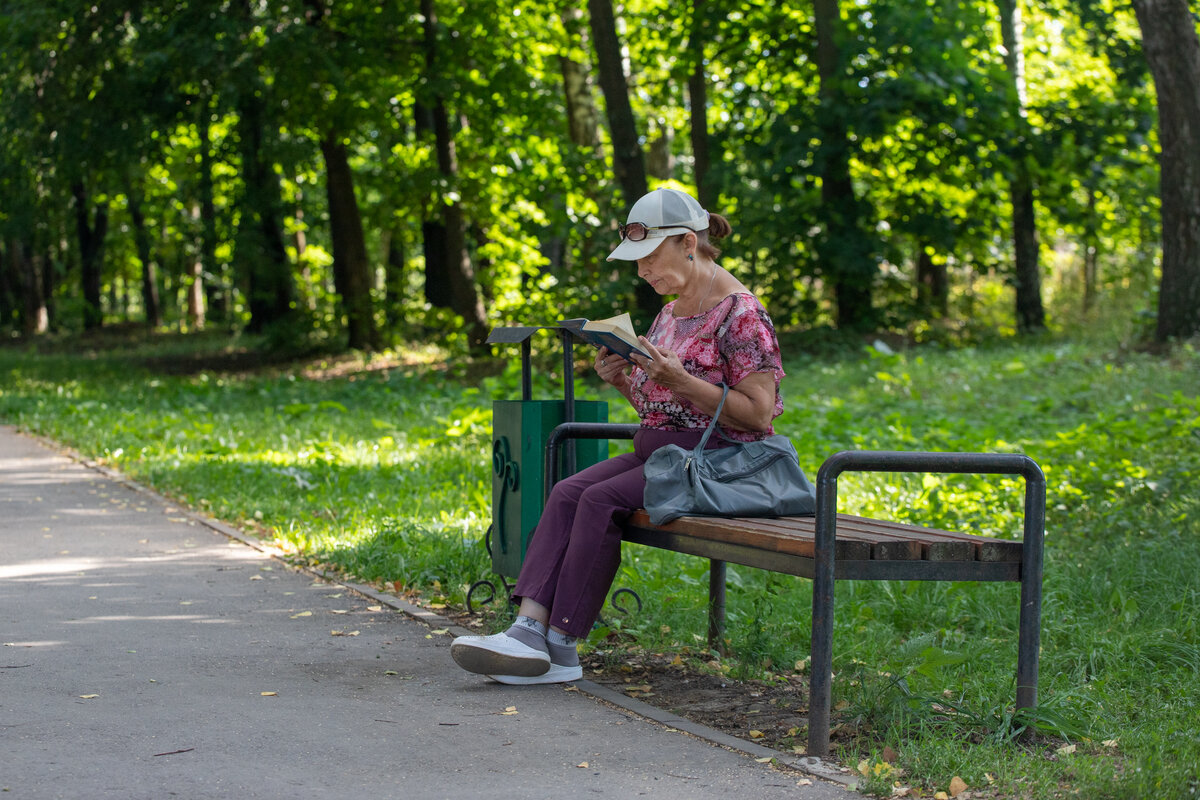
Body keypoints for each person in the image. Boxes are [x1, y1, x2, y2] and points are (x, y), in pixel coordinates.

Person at [451, 187, 785, 684]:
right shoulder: (672, 311)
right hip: (668, 454)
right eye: (637, 261)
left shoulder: (741, 313)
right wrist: (627, 381)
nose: (643, 271)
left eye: (650, 257)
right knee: (567, 492)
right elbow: (665, 407)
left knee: (599, 499)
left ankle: (561, 646)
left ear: (688, 242)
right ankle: (526, 630)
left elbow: (757, 416)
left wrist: (679, 380)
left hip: (720, 462)